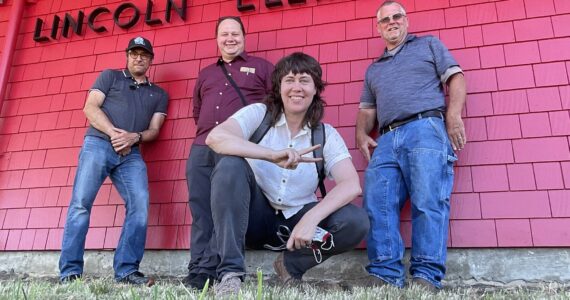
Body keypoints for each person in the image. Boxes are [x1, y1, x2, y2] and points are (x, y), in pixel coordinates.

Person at [206, 52, 369, 296]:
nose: (297, 87)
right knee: (230, 164)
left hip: (297, 224)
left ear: (316, 89)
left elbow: (351, 185)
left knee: (356, 222)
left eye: (305, 80)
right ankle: (230, 274)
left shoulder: (325, 134)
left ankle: (290, 266)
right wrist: (270, 155)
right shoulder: (258, 114)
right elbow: (215, 138)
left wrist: (311, 218)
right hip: (253, 218)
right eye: (289, 79)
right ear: (279, 87)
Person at [356, 1, 467, 291]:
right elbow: (367, 111)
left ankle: (426, 276)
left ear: (406, 21)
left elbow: (455, 77)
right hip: (387, 137)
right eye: (385, 20)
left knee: (428, 200)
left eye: (397, 16)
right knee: (376, 201)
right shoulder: (374, 70)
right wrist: (360, 133)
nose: (392, 22)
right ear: (378, 27)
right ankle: (384, 273)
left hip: (425, 127)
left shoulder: (429, 45)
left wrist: (453, 116)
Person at [58, 36, 168, 286]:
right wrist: (115, 134)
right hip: (98, 144)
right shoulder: (110, 76)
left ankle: (127, 270)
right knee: (81, 205)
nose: (138, 57)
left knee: (139, 205)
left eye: (143, 54)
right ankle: (70, 273)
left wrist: (134, 137)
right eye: (133, 53)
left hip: (131, 154)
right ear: (127, 56)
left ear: (151, 59)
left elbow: (154, 130)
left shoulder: (159, 94)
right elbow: (90, 108)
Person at [184, 16, 273, 289]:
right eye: (224, 34)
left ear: (244, 37)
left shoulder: (262, 68)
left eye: (235, 33)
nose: (230, 38)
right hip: (201, 146)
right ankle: (199, 270)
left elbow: (273, 109)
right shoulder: (206, 73)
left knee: (222, 208)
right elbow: (198, 109)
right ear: (217, 39)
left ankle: (222, 269)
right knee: (201, 210)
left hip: (235, 147)